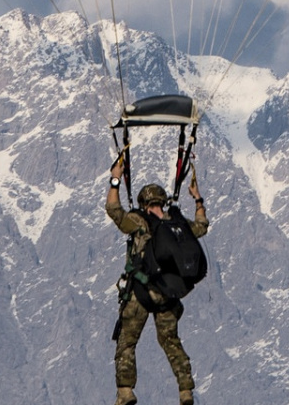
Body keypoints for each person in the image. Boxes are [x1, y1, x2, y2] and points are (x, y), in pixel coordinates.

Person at [106, 154, 207, 405]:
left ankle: (126, 392)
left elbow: (114, 211)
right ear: (162, 200)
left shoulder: (139, 221)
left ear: (143, 203)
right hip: (168, 294)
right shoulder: (176, 222)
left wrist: (116, 180)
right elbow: (202, 226)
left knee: (127, 342)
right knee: (170, 341)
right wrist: (197, 198)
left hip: (141, 292)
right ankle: (185, 390)